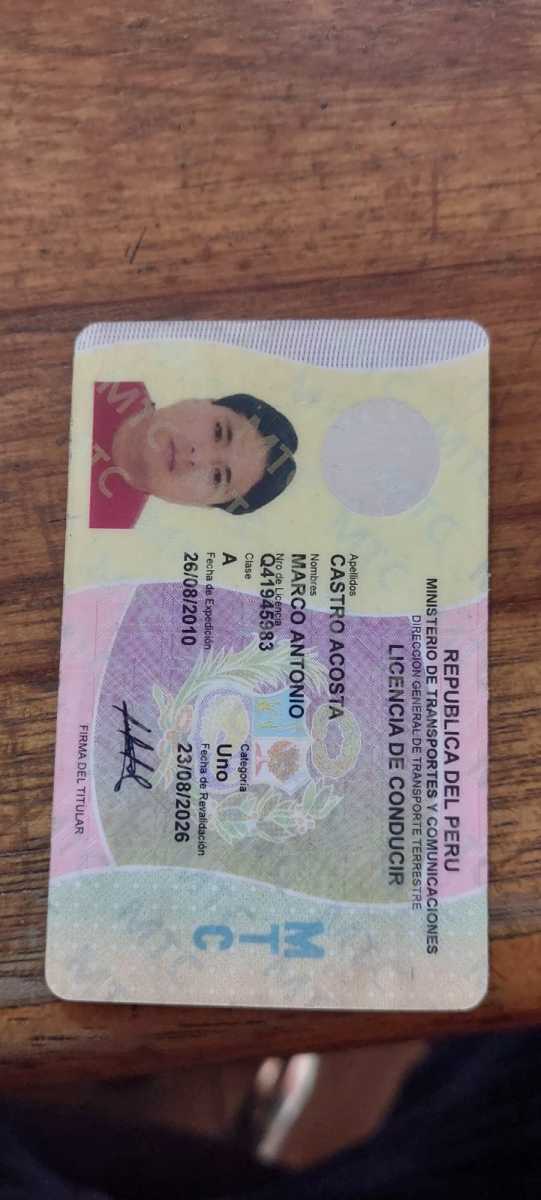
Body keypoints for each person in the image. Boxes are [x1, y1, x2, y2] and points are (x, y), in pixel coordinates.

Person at [89, 383, 298, 528]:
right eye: (218, 432)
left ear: (200, 505)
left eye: (217, 476)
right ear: (201, 402)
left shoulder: (106, 528)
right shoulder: (110, 376)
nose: (196, 457)